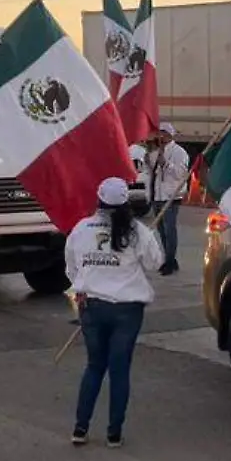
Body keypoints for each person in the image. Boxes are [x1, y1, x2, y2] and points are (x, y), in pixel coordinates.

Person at [67, 177, 163, 447]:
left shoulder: (82, 228)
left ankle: (80, 429)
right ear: (126, 202)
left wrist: (85, 285)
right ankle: (114, 434)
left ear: (98, 199)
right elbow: (156, 264)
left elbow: (72, 267)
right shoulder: (137, 231)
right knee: (119, 370)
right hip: (127, 310)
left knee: (94, 366)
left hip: (92, 307)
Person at [130, 122, 190, 276]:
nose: (160, 136)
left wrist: (166, 164)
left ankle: (170, 262)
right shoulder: (155, 151)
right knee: (161, 229)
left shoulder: (179, 152)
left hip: (171, 196)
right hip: (157, 195)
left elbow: (181, 174)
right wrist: (148, 160)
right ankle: (169, 259)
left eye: (164, 133)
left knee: (170, 229)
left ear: (170, 134)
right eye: (159, 133)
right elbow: (150, 172)